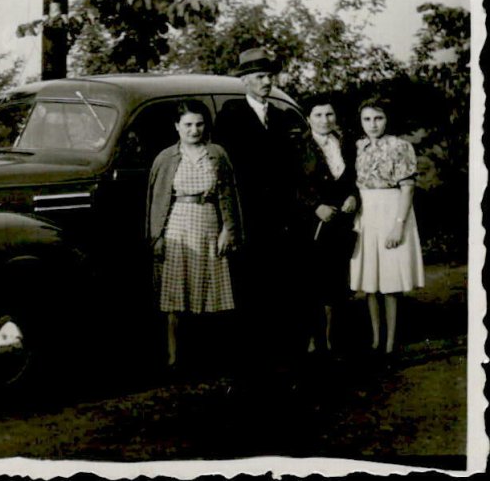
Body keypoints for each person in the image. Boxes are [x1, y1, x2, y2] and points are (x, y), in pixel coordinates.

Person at [214, 47, 306, 367]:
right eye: (259, 77)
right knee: (249, 289)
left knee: (281, 289)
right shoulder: (230, 115)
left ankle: (282, 360)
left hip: (281, 219)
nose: (267, 82)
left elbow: (295, 168)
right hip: (247, 216)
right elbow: (224, 171)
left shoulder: (282, 117)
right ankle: (250, 364)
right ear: (245, 81)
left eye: (269, 76)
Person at [146, 100, 241, 369]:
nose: (194, 130)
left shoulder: (217, 154)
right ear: (177, 127)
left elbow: (229, 196)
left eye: (199, 124)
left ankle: (208, 355)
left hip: (209, 224)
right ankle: (174, 356)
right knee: (175, 293)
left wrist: (228, 231)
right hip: (177, 225)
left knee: (211, 290)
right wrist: (158, 236)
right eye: (187, 124)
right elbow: (157, 201)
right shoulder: (166, 158)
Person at [350, 98, 425, 355]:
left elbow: (407, 189)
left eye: (378, 118)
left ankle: (391, 343)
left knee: (391, 282)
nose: (373, 124)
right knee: (371, 282)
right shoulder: (358, 147)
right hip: (366, 213)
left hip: (392, 210)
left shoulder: (400, 146)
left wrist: (398, 226)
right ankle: (375, 339)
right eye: (367, 119)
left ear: (387, 119)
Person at [297, 95, 358, 354]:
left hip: (341, 221)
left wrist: (353, 196)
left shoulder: (345, 144)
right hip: (310, 222)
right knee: (312, 280)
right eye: (319, 115)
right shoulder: (298, 146)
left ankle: (334, 339)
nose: (325, 120)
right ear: (309, 118)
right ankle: (313, 337)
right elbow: (291, 184)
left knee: (337, 280)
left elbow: (354, 176)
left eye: (329, 115)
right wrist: (315, 206)